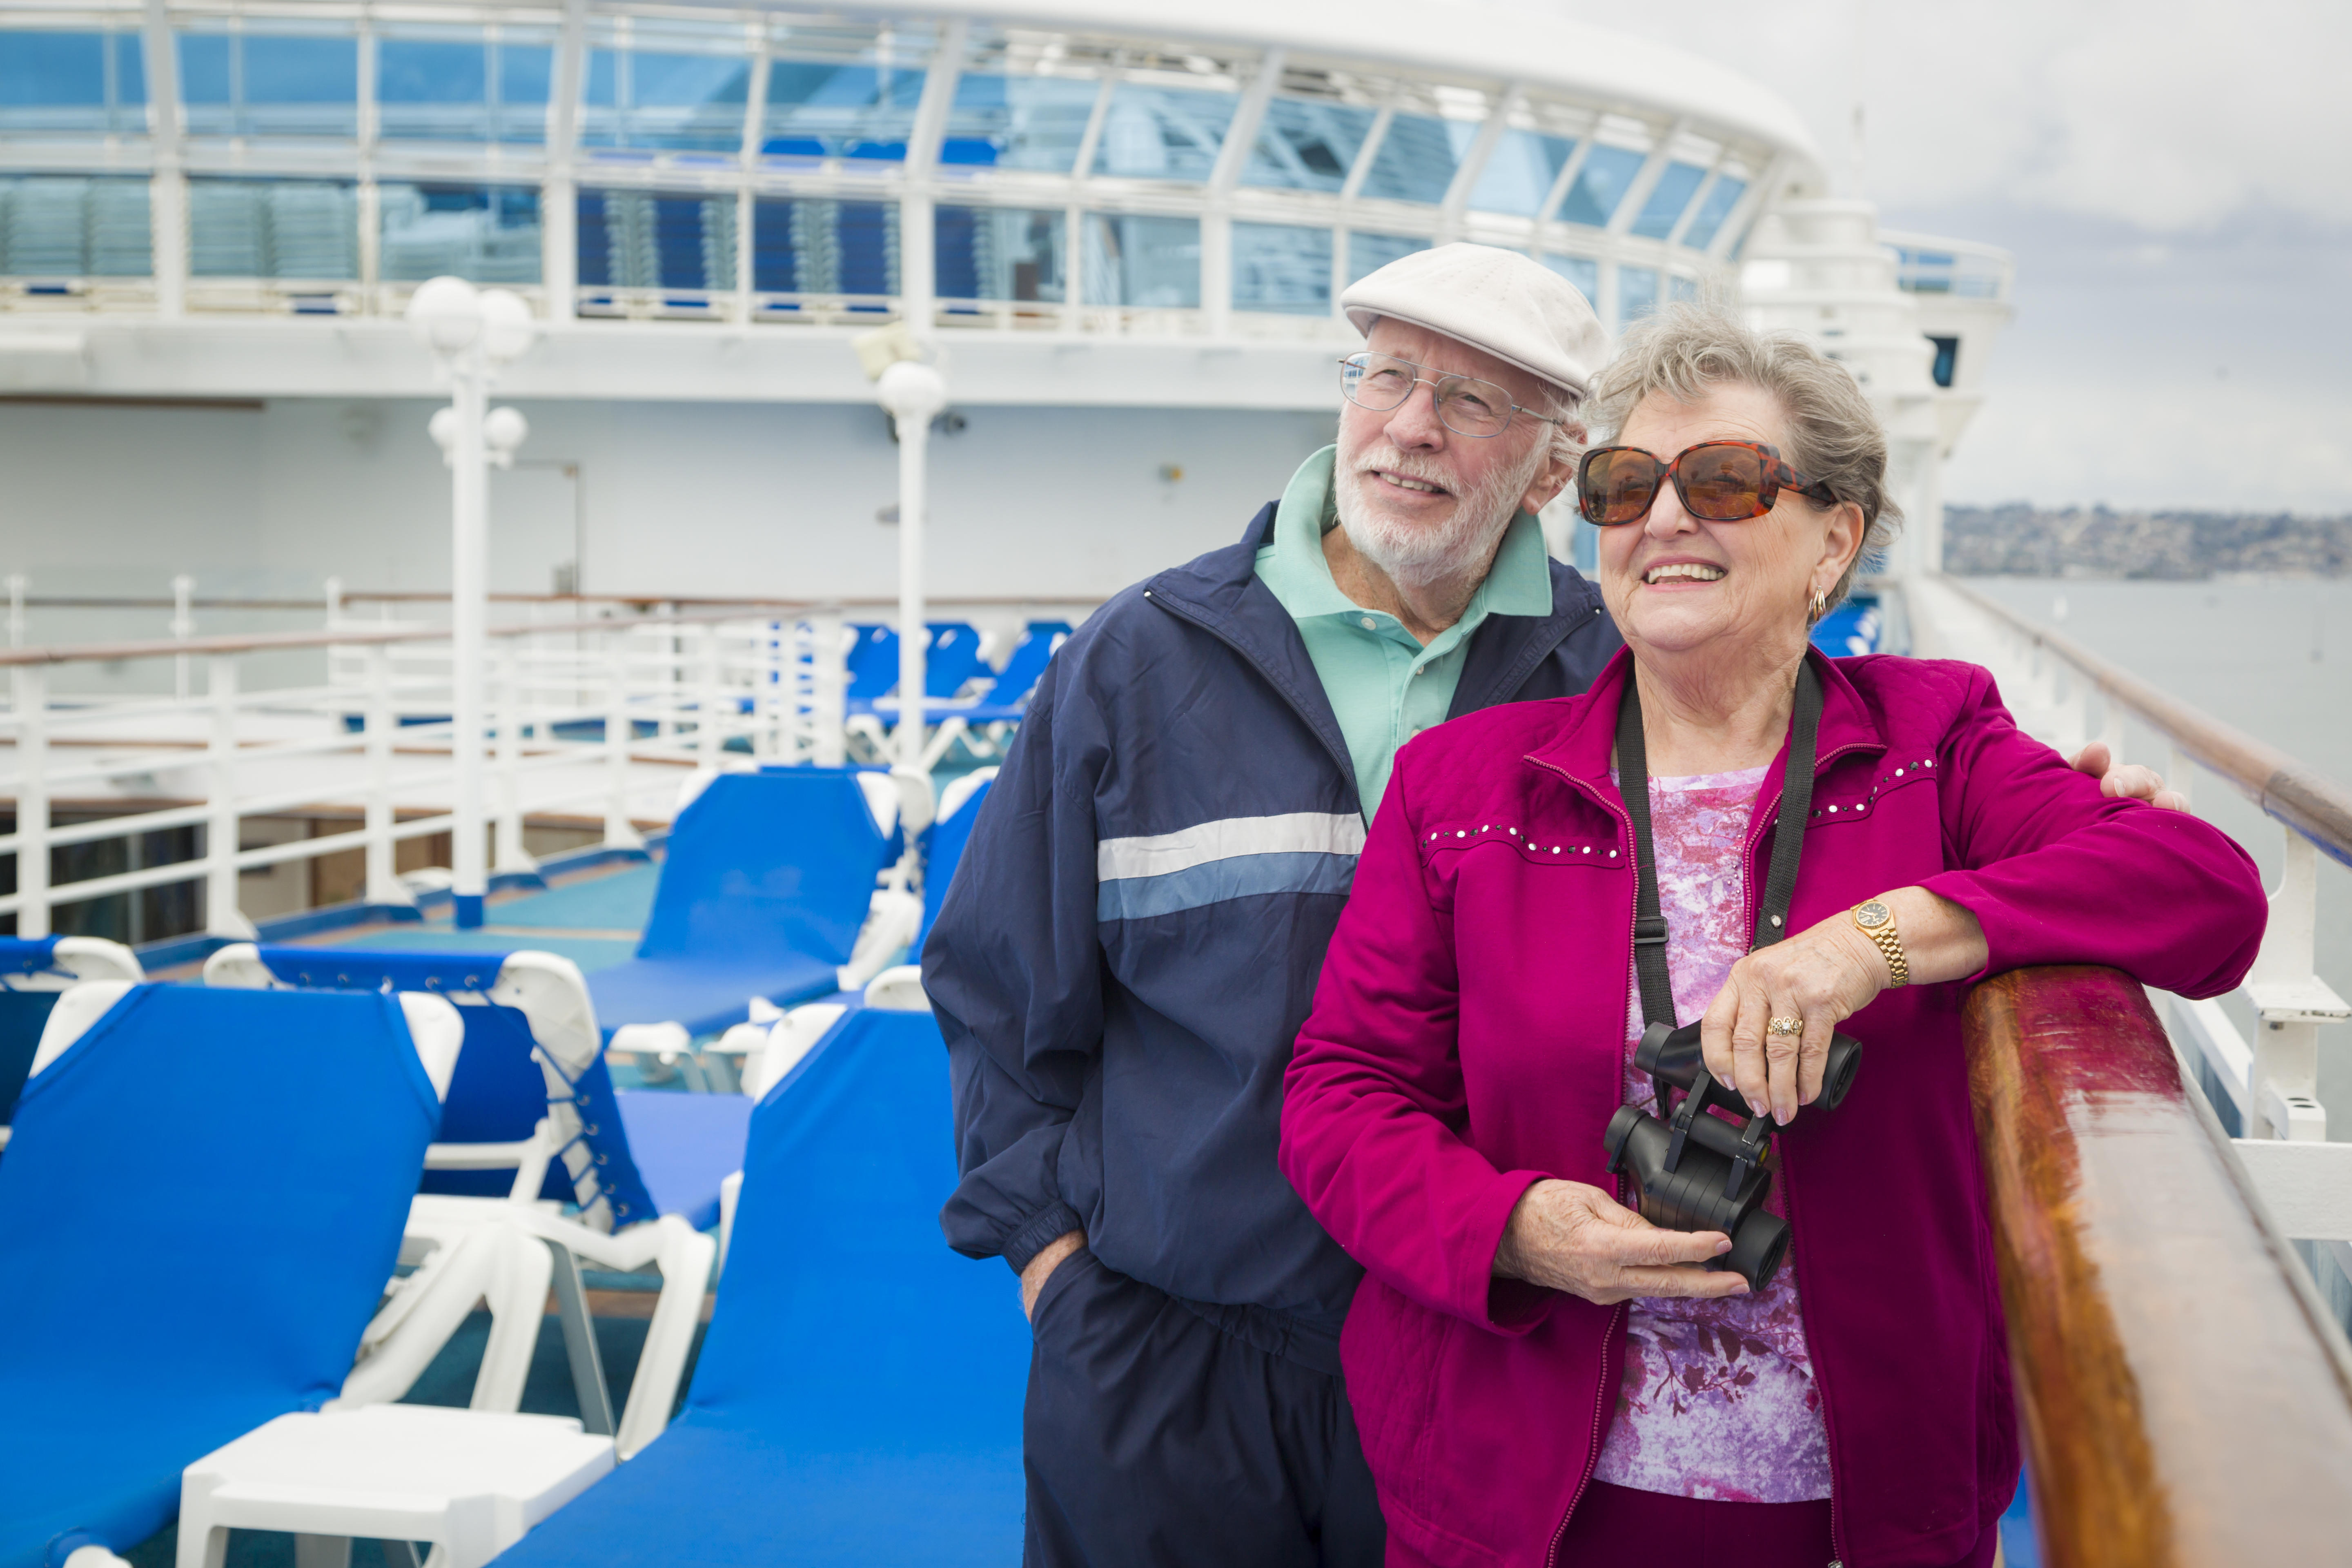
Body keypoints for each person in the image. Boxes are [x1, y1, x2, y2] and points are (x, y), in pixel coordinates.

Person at [926, 250, 2176, 1568]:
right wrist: (1053, 1270)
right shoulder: (1140, 659)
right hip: (1173, 1344)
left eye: (1471, 400)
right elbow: (1001, 989)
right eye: (1389, 378)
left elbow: (1814, 738)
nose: (1411, 426)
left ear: (1545, 472)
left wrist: (2039, 843)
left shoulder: (1624, 656)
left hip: (1477, 1346)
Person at [1277, 302, 2266, 1568]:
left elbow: (2206, 890)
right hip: (1515, 1491)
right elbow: (1342, 1096)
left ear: (1833, 540)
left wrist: (1882, 940)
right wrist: (1513, 1231)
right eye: (1627, 483)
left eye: (1728, 481)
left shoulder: (1936, 743)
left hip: (1863, 1502)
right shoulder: (1461, 788)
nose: (1665, 517)